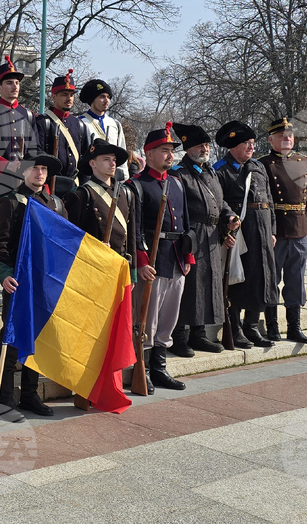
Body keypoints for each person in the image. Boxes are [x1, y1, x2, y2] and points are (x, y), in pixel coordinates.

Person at [64, 138, 139, 403]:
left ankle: (111, 383)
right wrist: (94, 248)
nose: (112, 163)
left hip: (119, 270)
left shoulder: (126, 193)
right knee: (91, 331)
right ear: (93, 164)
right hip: (92, 273)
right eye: (106, 159)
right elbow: (70, 238)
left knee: (115, 330)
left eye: (114, 160)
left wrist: (133, 270)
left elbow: (132, 235)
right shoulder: (81, 195)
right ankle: (85, 386)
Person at [0, 153, 66, 417]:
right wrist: (4, 275)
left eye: (44, 169)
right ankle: (5, 398)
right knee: (12, 338)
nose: (40, 173)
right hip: (18, 282)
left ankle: (29, 394)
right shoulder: (10, 202)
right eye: (34, 168)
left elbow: (64, 242)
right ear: (23, 172)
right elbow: (0, 246)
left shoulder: (56, 204)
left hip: (45, 283)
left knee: (38, 339)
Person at [127, 124, 194, 392]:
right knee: (147, 318)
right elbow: (134, 228)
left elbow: (185, 223)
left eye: (171, 151)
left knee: (168, 317)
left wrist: (188, 256)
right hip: (152, 260)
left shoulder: (176, 183)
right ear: (148, 153)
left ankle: (160, 367)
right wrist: (141, 261)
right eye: (164, 150)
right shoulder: (136, 185)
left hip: (176, 258)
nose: (170, 155)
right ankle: (142, 370)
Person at [168, 123, 239, 357]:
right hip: (191, 236)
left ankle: (198, 334)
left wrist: (229, 217)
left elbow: (220, 201)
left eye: (207, 145)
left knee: (207, 285)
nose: (205, 149)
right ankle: (178, 336)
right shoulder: (179, 174)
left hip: (211, 235)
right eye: (200, 145)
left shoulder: (210, 172)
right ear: (188, 148)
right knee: (188, 288)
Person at [213, 121, 277, 350]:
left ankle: (251, 325)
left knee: (261, 278)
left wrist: (272, 230)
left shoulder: (258, 167)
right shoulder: (220, 170)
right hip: (241, 232)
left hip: (262, 229)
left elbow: (269, 200)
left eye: (252, 143)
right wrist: (224, 233)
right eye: (246, 143)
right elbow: (217, 205)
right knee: (239, 280)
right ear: (233, 146)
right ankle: (235, 328)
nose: (251, 147)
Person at [259, 118, 307, 344]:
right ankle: (272, 326)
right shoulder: (263, 164)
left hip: (299, 228)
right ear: (271, 140)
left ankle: (294, 327)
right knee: (271, 279)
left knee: (296, 280)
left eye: (290, 136)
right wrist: (268, 229)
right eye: (282, 136)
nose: (287, 139)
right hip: (276, 230)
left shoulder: (304, 162)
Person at [0, 56, 39, 200]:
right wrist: (5, 165)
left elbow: (35, 148)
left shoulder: (28, 114)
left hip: (24, 182)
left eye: (17, 83)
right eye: (9, 83)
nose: (15, 86)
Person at [33, 70, 91, 197]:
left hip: (75, 189)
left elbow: (86, 161)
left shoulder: (79, 125)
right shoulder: (42, 122)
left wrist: (83, 189)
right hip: (50, 188)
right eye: (64, 94)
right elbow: (38, 156)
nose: (69, 98)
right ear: (54, 96)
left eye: (71, 95)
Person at [77, 79, 130, 181]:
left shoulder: (115, 124)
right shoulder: (80, 123)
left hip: (113, 180)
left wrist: (124, 180)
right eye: (102, 96)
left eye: (108, 97)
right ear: (92, 99)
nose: (106, 100)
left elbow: (121, 150)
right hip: (89, 179)